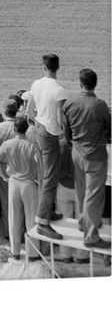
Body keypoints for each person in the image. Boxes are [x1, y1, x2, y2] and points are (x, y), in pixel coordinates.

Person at [61, 67, 111, 248]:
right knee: (94, 194)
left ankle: (84, 222)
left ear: (80, 83)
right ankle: (91, 236)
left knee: (81, 189)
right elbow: (110, 127)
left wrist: (71, 141)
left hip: (77, 151)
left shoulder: (70, 101)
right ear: (95, 84)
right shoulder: (100, 105)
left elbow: (65, 125)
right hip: (95, 155)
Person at [23, 53, 69, 239]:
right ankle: (43, 221)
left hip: (40, 130)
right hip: (51, 135)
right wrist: (63, 129)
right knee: (50, 179)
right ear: (58, 68)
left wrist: (40, 122)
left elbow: (28, 111)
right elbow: (60, 118)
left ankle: (47, 212)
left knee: (43, 175)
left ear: (44, 67)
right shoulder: (60, 90)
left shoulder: (36, 84)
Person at [0, 117, 41, 261]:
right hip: (29, 183)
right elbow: (40, 164)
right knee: (31, 219)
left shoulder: (8, 144)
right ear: (26, 130)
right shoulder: (31, 145)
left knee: (14, 218)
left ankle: (15, 251)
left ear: (14, 129)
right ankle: (32, 253)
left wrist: (3, 177)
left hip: (13, 182)